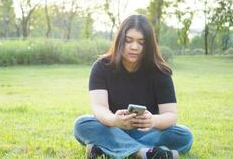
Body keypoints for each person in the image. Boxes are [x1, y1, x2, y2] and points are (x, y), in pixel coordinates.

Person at [74, 15, 193, 159]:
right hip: (112, 129)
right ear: (119, 40)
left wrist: (153, 120)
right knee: (82, 124)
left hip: (149, 131)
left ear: (148, 45)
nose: (134, 47)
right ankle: (143, 152)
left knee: (184, 135)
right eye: (128, 40)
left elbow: (171, 115)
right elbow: (99, 107)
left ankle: (106, 148)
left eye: (141, 42)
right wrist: (114, 120)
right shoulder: (101, 67)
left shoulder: (160, 72)